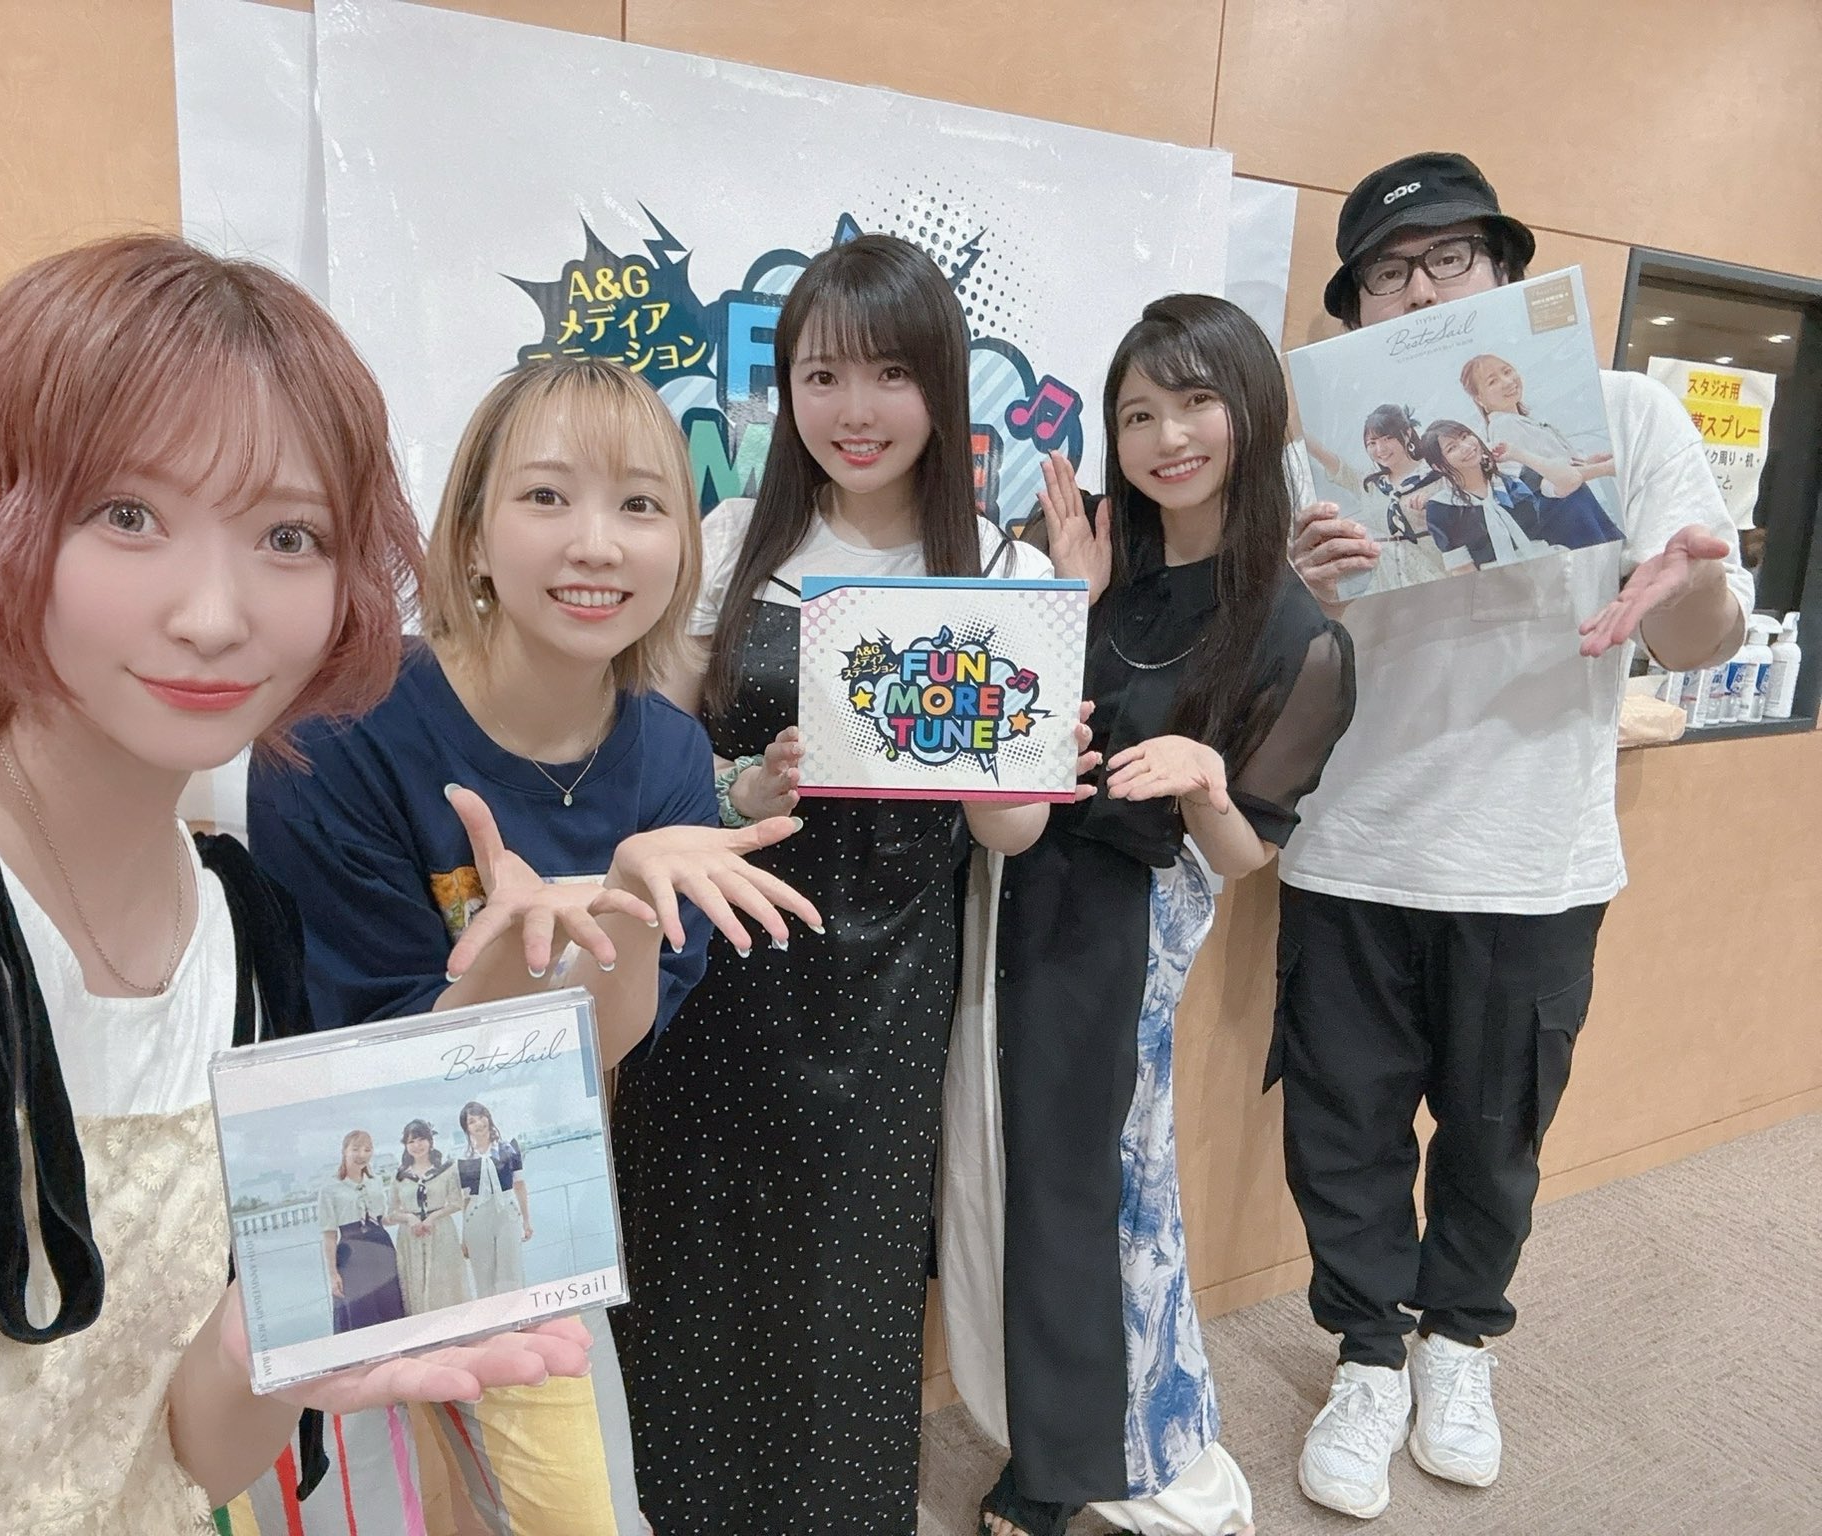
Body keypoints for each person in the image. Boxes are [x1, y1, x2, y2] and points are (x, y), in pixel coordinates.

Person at [0, 236, 594, 1536]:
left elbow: (189, 1457)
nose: (215, 614)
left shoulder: (240, 928)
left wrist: (281, 1336)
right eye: (128, 515)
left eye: (288, 536)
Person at [247, 355, 823, 1536]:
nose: (595, 545)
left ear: (681, 549)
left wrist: (621, 909)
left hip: (510, 1198)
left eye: (640, 505)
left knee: (587, 1516)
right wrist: (523, 944)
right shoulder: (336, 735)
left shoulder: (670, 758)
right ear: (471, 535)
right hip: (326, 1201)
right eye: (547, 496)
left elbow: (601, 1048)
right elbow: (369, 1061)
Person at [1282, 152, 1752, 1521]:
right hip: (1352, 847)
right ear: (1356, 313)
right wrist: (1300, 595)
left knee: (1496, 1139)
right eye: (1387, 274)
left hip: (1536, 857)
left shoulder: (1622, 414)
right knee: (1344, 1132)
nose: (1422, 291)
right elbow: (1287, 665)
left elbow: (1697, 633)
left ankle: (1457, 1345)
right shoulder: (1320, 457)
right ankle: (1367, 1357)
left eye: (1450, 260)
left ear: (1503, 274)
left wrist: (1680, 589)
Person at [612, 232, 1076, 1535]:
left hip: (886, 991)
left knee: (844, 1294)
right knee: (690, 1268)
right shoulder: (725, 540)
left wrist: (1010, 747)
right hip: (712, 974)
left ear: (940, 384)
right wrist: (738, 785)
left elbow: (1010, 834)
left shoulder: (1005, 574)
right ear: (786, 390)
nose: (854, 410)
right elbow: (658, 757)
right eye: (822, 376)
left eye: (888, 374)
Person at [955, 295, 1355, 1536]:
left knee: (1076, 1181)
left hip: (1119, 919)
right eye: (1136, 414)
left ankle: (1065, 1463)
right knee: (996, 1167)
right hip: (998, 881)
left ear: (1253, 412)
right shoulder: (1090, 557)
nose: (1165, 437)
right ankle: (1044, 1418)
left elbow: (1244, 856)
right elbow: (1006, 713)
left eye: (1193, 402)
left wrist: (1203, 781)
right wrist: (1061, 600)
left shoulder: (1294, 630)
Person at [1460, 353, 1626, 549]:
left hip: (1576, 508)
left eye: (1507, 371)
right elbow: (1538, 482)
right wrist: (1606, 468)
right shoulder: (1505, 426)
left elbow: (1551, 466)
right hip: (1566, 515)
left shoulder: (1518, 421)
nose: (1507, 381)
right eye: (1492, 381)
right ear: (1479, 399)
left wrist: (1588, 462)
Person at [1304, 405, 1445, 589]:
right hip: (1389, 584)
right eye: (1372, 443)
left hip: (1439, 576)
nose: (1380, 449)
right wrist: (1296, 430)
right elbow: (1329, 460)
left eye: (1388, 438)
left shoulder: (1437, 473)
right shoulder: (1370, 485)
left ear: (1407, 434)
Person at [1413, 419, 1557, 570]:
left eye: (1464, 436)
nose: (1466, 447)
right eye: (1452, 448)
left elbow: (1568, 481)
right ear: (1439, 467)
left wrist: (1519, 455)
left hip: (1548, 564)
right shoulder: (1442, 507)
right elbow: (1463, 570)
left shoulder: (1511, 481)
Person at [323, 1130, 408, 1331]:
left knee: (389, 1304)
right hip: (352, 1254)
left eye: (367, 1150)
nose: (362, 1154)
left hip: (381, 1248)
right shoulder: (330, 1188)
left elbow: (381, 1217)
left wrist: (407, 1217)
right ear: (344, 1150)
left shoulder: (375, 1181)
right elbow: (329, 1235)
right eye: (356, 1149)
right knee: (360, 1309)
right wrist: (333, 1274)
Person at [392, 1119, 470, 1313]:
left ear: (430, 1141)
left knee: (444, 1283)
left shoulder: (447, 1170)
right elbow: (391, 1211)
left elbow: (456, 1203)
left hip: (441, 1231)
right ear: (405, 1145)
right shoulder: (400, 1176)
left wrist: (432, 1218)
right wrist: (410, 1219)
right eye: (411, 1141)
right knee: (416, 1286)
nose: (417, 1146)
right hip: (411, 1236)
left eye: (421, 1140)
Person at [457, 1101, 530, 1295]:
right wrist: (464, 1238)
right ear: (466, 1128)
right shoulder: (464, 1159)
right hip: (477, 1217)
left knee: (511, 1272)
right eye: (472, 1121)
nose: (478, 1123)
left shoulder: (509, 1148)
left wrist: (526, 1221)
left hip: (508, 1212)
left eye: (481, 1117)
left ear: (488, 1118)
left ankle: (517, 1312)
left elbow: (519, 1184)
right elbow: (465, 1199)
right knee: (483, 1276)